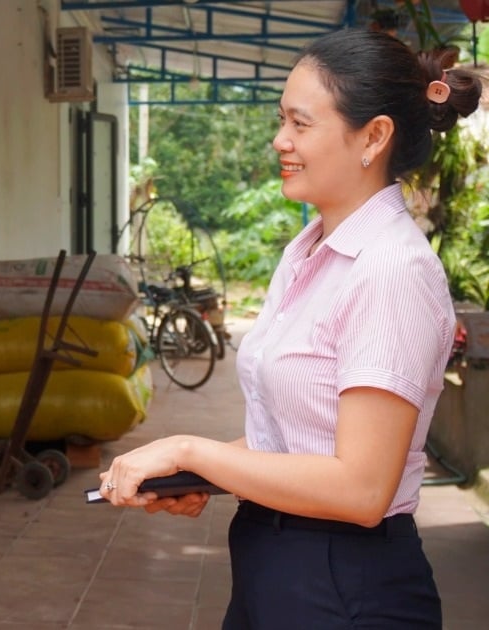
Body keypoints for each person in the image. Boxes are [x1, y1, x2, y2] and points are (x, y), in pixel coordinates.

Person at [97, 29, 482, 629]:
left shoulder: (391, 271)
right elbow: (301, 438)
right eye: (283, 121)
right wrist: (201, 471)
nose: (280, 140)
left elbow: (360, 488)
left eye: (301, 124)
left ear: (374, 137)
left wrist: (188, 446)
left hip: (344, 582)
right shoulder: (309, 252)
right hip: (274, 561)